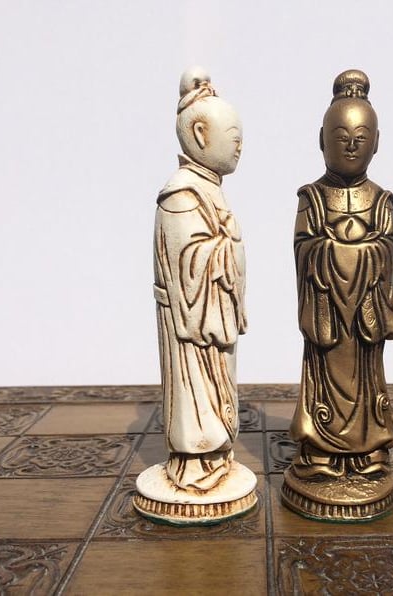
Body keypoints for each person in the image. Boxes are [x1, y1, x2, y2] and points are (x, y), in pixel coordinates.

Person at [290, 70, 393, 479]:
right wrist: (334, 250)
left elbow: (387, 251)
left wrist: (356, 250)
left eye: (360, 138)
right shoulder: (312, 197)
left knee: (367, 382)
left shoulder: (380, 200)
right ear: (321, 139)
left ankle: (369, 449)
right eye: (340, 136)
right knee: (324, 377)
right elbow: (304, 249)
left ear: (376, 143)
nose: (350, 145)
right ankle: (320, 451)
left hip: (364, 318)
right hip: (327, 314)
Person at [153, 68, 246, 490]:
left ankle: (217, 454)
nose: (240, 144)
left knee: (218, 391)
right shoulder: (181, 195)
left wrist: (228, 242)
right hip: (192, 324)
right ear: (200, 134)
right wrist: (228, 246)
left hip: (212, 317)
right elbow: (189, 266)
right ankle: (193, 462)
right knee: (195, 399)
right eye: (233, 135)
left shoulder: (208, 188)